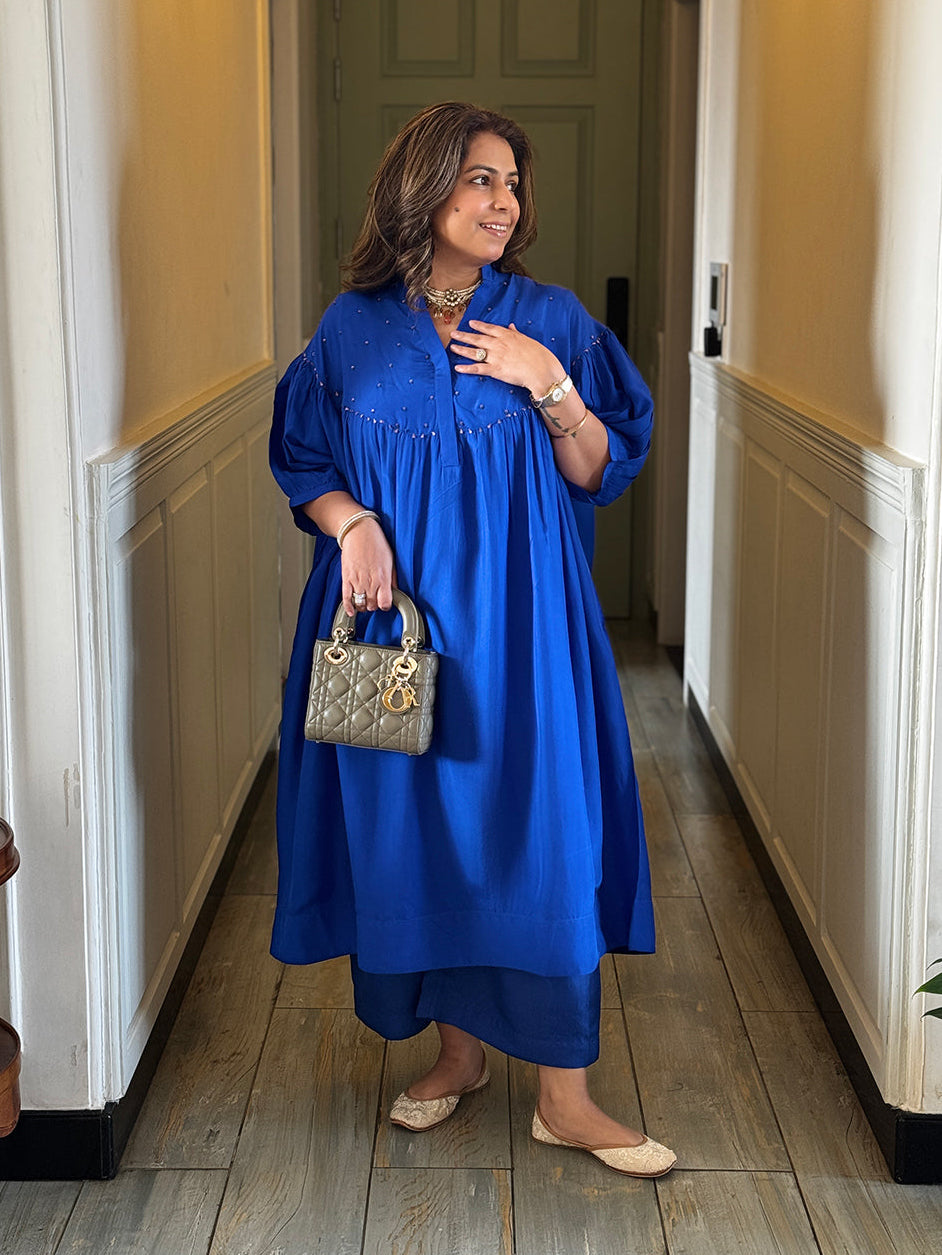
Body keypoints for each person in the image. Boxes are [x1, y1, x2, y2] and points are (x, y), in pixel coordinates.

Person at [269, 101, 675, 1179]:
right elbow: (304, 457)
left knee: (546, 834)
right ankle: (458, 1054)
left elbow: (601, 466)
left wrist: (548, 381)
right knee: (420, 836)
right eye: (481, 180)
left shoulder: (552, 318)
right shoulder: (351, 328)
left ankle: (566, 1099)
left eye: (512, 183)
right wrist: (352, 523)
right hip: (398, 629)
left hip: (526, 629)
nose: (504, 202)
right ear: (423, 189)